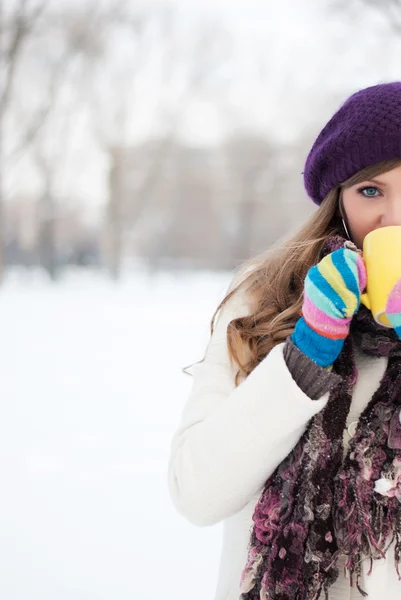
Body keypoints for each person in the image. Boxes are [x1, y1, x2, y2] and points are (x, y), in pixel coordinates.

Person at [167, 82, 401, 600]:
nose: (394, 218)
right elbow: (197, 493)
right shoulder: (264, 301)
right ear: (337, 200)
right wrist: (304, 354)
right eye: (370, 191)